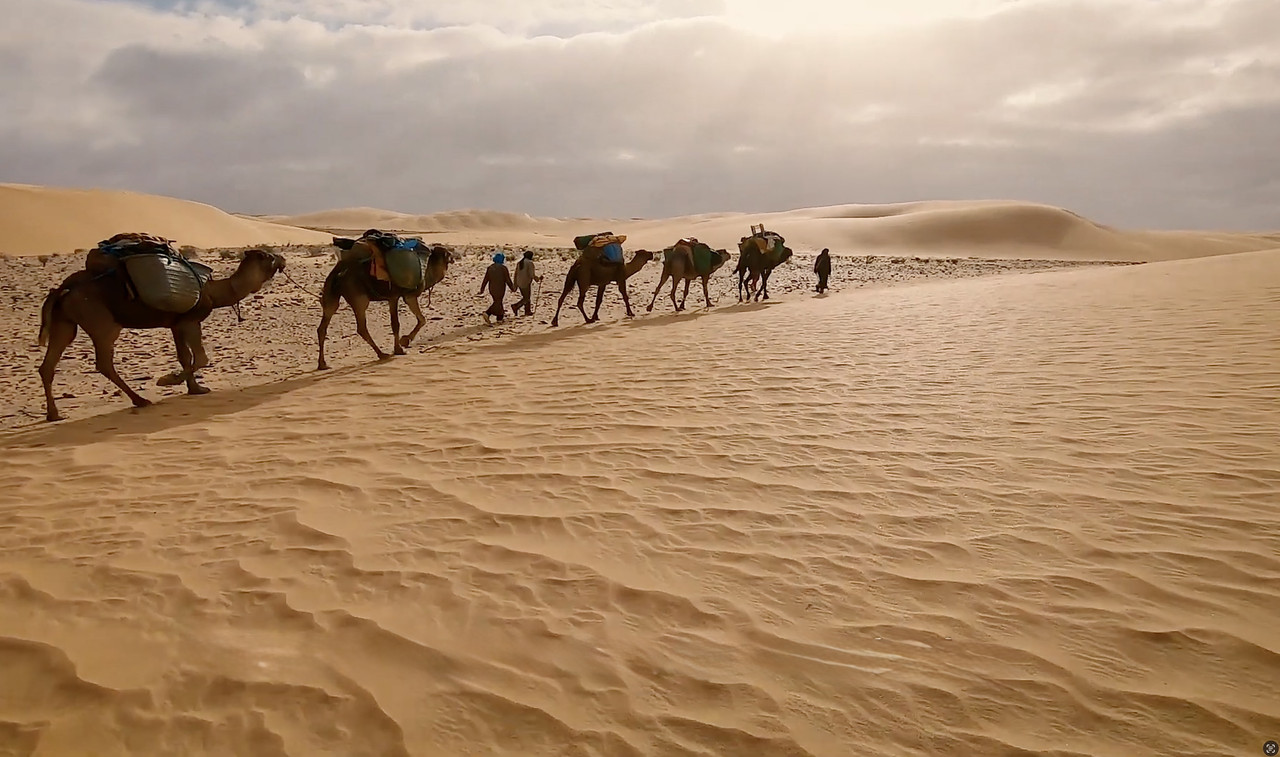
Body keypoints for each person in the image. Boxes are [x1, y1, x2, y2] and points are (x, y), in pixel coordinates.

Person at [478, 252, 517, 325]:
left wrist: (482, 289)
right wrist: (512, 288)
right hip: (500, 288)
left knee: (498, 302)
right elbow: (507, 279)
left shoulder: (490, 267)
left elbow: (485, 279)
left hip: (492, 288)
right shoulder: (503, 268)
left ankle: (500, 317)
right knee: (497, 302)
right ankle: (487, 313)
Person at [512, 250, 543, 317]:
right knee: (526, 298)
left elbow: (515, 274)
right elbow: (532, 274)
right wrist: (538, 279)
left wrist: (515, 284)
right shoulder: (530, 263)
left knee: (526, 297)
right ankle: (516, 306)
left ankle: (527, 311)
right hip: (525, 282)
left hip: (519, 282)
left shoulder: (520, 262)